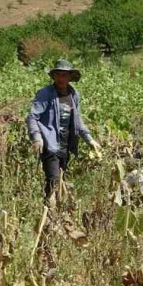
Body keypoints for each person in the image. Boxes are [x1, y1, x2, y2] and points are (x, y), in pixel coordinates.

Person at [26, 59, 102, 203]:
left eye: (65, 75)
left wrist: (89, 139)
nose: (61, 78)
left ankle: (58, 213)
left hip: (66, 145)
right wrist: (37, 137)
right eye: (58, 75)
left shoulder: (73, 94)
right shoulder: (45, 93)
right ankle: (49, 212)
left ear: (70, 77)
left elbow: (77, 120)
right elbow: (32, 116)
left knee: (61, 179)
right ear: (54, 76)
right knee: (53, 180)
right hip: (50, 144)